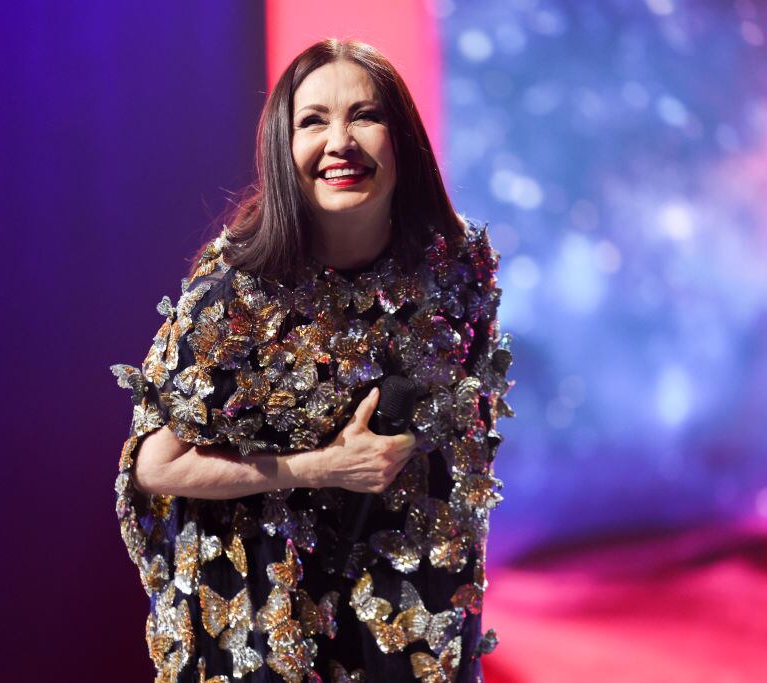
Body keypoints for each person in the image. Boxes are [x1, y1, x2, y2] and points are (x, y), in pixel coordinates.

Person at [111, 38, 514, 683]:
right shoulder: (237, 292)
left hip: (412, 589)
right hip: (270, 605)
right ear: (283, 145)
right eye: (314, 121)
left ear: (404, 138)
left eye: (365, 116)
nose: (340, 143)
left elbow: (468, 420)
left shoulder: (454, 266)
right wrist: (325, 466)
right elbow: (156, 466)